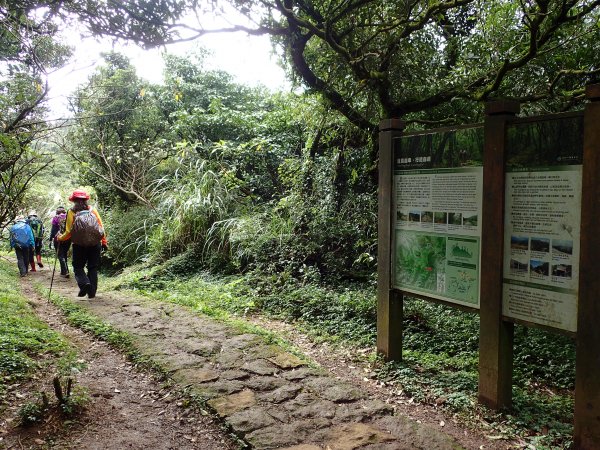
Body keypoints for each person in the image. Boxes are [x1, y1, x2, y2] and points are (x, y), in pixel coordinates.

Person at [57, 190, 108, 299]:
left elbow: (69, 232)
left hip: (79, 245)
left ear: (73, 200)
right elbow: (100, 228)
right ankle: (92, 293)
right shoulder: (92, 210)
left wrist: (60, 238)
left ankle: (84, 283)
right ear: (86, 200)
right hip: (95, 244)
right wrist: (104, 242)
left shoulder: (71, 212)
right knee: (92, 267)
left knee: (78, 266)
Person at [49, 206, 70, 277]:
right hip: (67, 238)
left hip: (58, 239)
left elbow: (53, 230)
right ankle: (65, 271)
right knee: (64, 254)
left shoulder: (56, 218)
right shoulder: (68, 217)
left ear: (57, 212)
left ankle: (65, 272)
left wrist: (51, 238)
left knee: (60, 255)